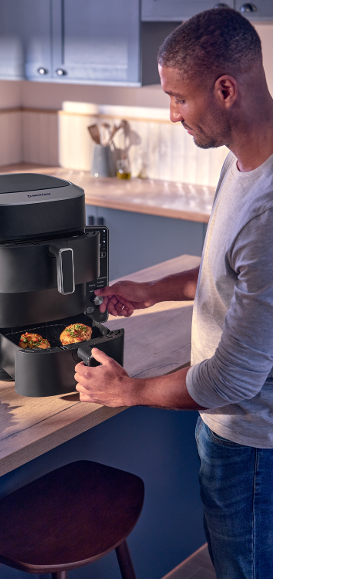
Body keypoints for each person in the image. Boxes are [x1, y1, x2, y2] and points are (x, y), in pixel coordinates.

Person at [74, 7, 273, 579]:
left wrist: (128, 390)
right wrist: (153, 290)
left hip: (252, 444)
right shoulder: (242, 165)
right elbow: (224, 278)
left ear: (225, 90)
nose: (171, 115)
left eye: (179, 99)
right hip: (231, 434)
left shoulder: (272, 210)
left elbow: (232, 381)